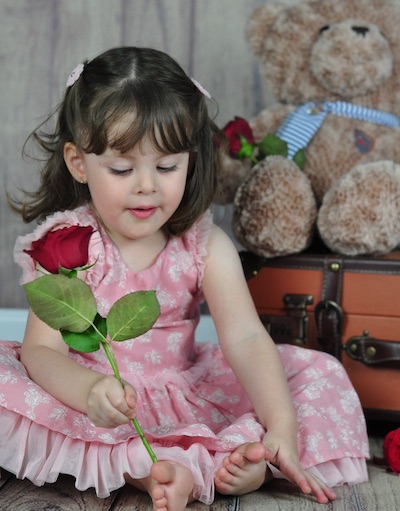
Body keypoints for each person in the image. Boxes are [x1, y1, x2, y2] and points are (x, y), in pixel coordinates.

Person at [0, 46, 369, 511]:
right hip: (97, 398)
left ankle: (252, 457)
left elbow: (247, 339)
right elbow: (41, 352)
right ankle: (151, 468)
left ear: (190, 160)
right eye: (122, 168)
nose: (147, 185)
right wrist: (88, 392)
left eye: (167, 166)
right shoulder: (68, 244)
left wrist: (282, 425)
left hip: (184, 389)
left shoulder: (203, 245)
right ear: (78, 162)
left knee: (317, 374)